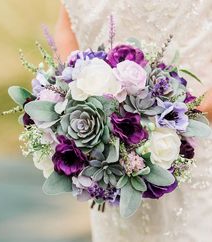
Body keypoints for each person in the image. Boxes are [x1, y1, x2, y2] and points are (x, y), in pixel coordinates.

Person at [55, 1, 212, 241]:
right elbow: (66, 26)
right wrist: (73, 101)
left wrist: (181, 116)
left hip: (195, 148)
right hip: (108, 168)